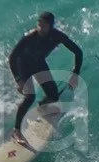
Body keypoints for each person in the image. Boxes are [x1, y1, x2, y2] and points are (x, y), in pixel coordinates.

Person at [8, 12, 83, 142]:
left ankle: (42, 106)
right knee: (30, 96)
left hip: (38, 63)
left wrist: (75, 74)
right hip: (23, 66)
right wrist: (18, 80)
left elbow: (78, 52)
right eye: (39, 25)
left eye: (44, 26)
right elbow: (12, 57)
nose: (41, 28)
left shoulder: (57, 36)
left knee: (53, 95)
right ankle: (16, 131)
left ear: (51, 26)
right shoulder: (30, 37)